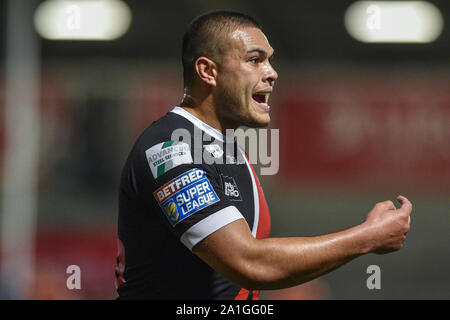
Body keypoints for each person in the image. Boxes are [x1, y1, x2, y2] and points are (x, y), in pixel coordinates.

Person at [115, 11, 412, 300]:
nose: (272, 73)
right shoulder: (169, 147)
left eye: (269, 61)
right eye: (254, 60)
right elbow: (249, 263)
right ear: (208, 71)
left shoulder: (230, 153)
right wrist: (367, 237)